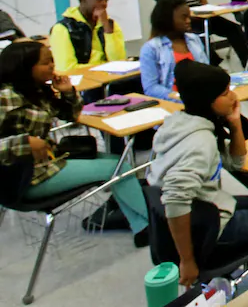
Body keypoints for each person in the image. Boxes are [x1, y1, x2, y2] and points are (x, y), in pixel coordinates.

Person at [149, 61, 248, 301]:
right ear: (207, 100)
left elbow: (236, 163)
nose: (233, 96)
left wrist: (235, 124)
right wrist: (188, 261)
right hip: (207, 231)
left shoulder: (182, 121)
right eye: (225, 93)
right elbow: (174, 200)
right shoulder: (199, 143)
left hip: (203, 211)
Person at [0, 41, 148, 242]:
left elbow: (73, 115)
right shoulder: (6, 96)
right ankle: (150, 226)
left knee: (119, 163)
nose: (52, 66)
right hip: (24, 178)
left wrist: (68, 92)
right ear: (26, 67)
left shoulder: (35, 90)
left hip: (45, 163)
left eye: (52, 60)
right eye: (46, 63)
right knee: (118, 167)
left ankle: (143, 226)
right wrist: (25, 143)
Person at [49, 0, 127, 73]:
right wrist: (103, 67)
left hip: (108, 79)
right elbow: (67, 69)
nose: (104, 4)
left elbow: (119, 61)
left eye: (106, 0)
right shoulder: (63, 28)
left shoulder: (110, 25)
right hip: (84, 82)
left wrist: (107, 29)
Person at [140, 0, 208, 100]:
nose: (188, 21)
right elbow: (151, 88)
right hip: (172, 102)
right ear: (168, 19)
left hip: (201, 99)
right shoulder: (151, 48)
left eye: (189, 17)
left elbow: (207, 72)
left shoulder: (194, 40)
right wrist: (180, 98)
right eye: (184, 17)